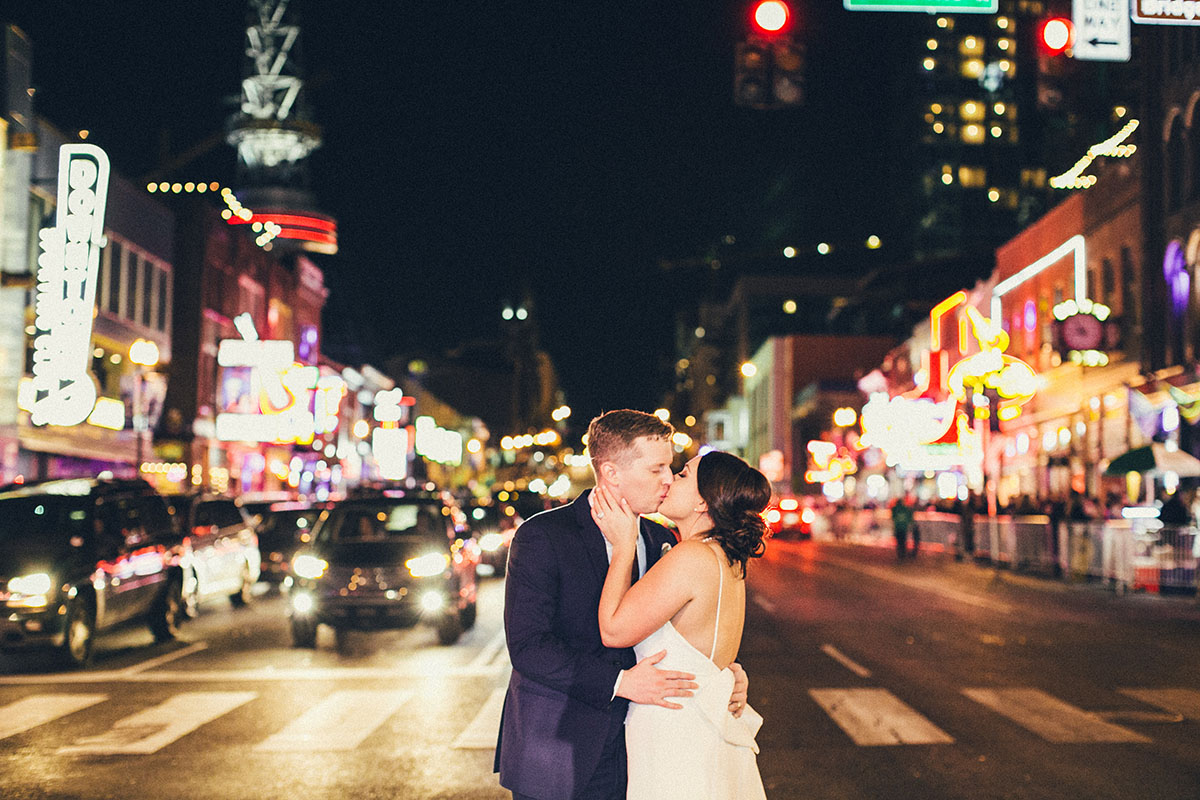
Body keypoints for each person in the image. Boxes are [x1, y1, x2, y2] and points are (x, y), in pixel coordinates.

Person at [495, 410, 749, 800]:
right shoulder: (543, 535)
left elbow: (683, 624)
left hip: (637, 750)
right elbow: (529, 648)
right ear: (612, 473)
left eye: (672, 468)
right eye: (656, 469)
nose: (667, 479)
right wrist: (620, 682)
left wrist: (722, 673)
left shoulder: (661, 537)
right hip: (560, 748)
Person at [591, 449, 770, 800]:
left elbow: (612, 630)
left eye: (684, 475)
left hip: (677, 735)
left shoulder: (691, 557)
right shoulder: (723, 557)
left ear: (704, 503)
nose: (671, 479)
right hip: (696, 725)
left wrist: (624, 546)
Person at [891, 493, 915, 560]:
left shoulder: (895, 509)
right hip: (904, 528)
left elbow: (893, 517)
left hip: (898, 527)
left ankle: (900, 554)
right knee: (903, 541)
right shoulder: (906, 509)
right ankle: (903, 553)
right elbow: (910, 517)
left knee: (899, 541)